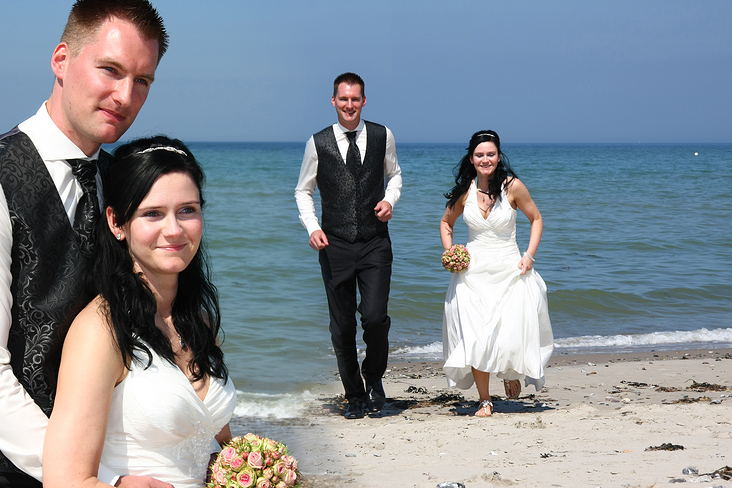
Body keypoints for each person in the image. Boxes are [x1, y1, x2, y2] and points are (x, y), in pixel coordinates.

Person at [0, 1, 168, 486]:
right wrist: (88, 474)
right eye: (111, 70)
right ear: (61, 60)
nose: (125, 95)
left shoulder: (122, 184)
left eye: (142, 81)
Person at [43, 136, 236, 488]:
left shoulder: (199, 321)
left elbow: (216, 442)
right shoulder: (100, 330)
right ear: (117, 223)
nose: (174, 230)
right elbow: (63, 480)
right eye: (152, 214)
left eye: (188, 210)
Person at [295, 72, 402, 419]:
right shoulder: (317, 143)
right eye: (343, 99)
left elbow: (395, 175)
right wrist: (312, 227)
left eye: (355, 99)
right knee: (341, 326)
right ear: (334, 101)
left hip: (375, 242)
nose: (349, 105)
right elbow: (303, 190)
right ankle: (354, 394)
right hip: (335, 244)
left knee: (373, 317)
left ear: (364, 101)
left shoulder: (383, 135)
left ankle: (374, 378)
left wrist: (390, 200)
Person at [440, 130, 554, 417]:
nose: (485, 159)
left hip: (508, 268)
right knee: (476, 334)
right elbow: (446, 223)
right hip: (472, 272)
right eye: (480, 155)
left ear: (498, 156)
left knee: (507, 332)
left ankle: (510, 372)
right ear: (471, 158)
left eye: (490, 154)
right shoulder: (465, 190)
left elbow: (536, 219)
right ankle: (485, 400)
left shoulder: (512, 186)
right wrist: (451, 252)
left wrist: (529, 255)